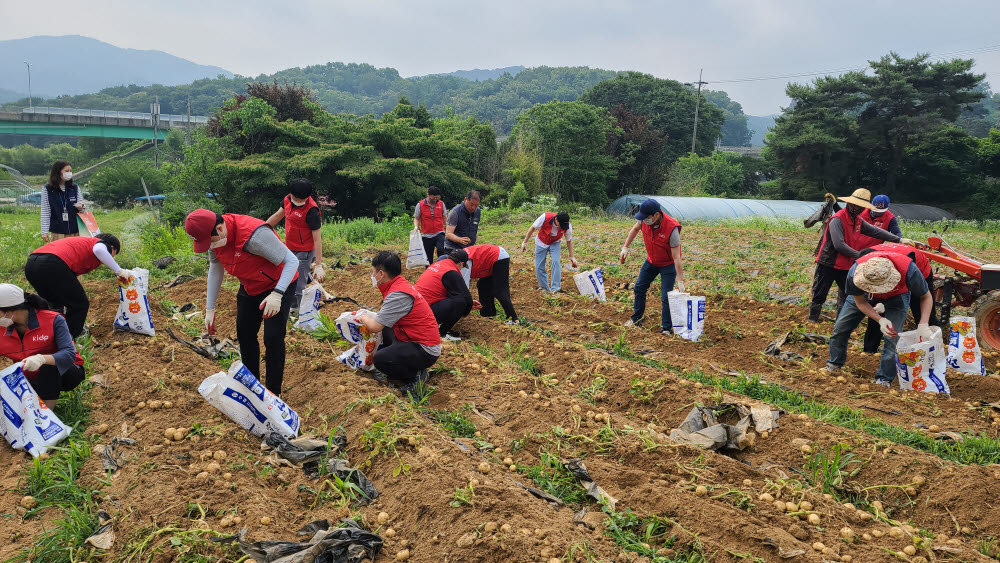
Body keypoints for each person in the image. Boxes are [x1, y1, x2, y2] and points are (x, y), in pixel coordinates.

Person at [184, 209, 298, 396]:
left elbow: (292, 261)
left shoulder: (255, 236)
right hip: (250, 284)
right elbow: (215, 267)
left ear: (220, 229)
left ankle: (273, 394)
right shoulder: (215, 240)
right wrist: (209, 308)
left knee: (272, 337)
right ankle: (252, 389)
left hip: (279, 283)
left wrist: (277, 294)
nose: (211, 246)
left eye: (210, 241)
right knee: (245, 335)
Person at [824, 251, 934, 387]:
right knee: (840, 328)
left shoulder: (909, 270)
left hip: (897, 295)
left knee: (893, 337)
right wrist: (879, 319)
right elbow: (861, 302)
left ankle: (884, 379)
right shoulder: (855, 273)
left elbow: (926, 296)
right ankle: (834, 364)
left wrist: (923, 323)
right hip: (864, 294)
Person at [809, 188, 912, 323]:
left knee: (848, 293)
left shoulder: (857, 220)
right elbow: (839, 245)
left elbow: (875, 231)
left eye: (861, 207)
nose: (858, 209)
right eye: (855, 205)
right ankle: (812, 319)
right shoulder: (837, 219)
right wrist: (860, 255)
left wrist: (899, 240)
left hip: (846, 263)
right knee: (820, 292)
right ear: (850, 204)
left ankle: (842, 320)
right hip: (829, 262)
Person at [355, 251, 440, 394]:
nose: (372, 276)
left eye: (373, 272)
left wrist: (363, 316)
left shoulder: (398, 294)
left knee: (381, 359)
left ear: (381, 274)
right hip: (414, 339)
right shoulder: (398, 285)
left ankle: (415, 376)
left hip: (425, 349)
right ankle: (409, 365)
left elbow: (375, 327)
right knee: (386, 327)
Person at [25, 233, 132, 338]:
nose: (111, 257)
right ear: (112, 247)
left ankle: (50, 334)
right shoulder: (100, 244)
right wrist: (119, 271)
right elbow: (99, 250)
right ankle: (71, 337)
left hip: (32, 265)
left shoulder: (82, 245)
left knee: (56, 303)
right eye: (114, 254)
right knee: (80, 304)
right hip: (52, 263)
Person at [0, 284, 85, 410]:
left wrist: (41, 359)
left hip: (66, 373)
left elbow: (69, 354)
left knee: (47, 366)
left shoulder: (53, 320)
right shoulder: (2, 329)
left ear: (11, 310)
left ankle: (45, 417)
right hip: (29, 377)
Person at [619, 199, 684, 334]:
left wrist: (680, 280)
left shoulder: (671, 228)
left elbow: (677, 257)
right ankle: (636, 320)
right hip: (651, 261)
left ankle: (666, 328)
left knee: (666, 296)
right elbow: (635, 229)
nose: (644, 220)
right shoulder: (644, 220)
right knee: (639, 288)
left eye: (647, 217)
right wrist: (625, 247)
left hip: (668, 265)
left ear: (656, 215)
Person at [860, 242, 937, 353]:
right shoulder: (868, 264)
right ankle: (870, 350)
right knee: (877, 311)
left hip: (915, 269)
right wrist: (879, 305)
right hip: (888, 266)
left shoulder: (906, 268)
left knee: (919, 309)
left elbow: (925, 297)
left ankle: (930, 349)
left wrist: (923, 323)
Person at [265, 178, 326, 309]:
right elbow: (277, 216)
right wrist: (262, 227)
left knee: (298, 282)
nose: (298, 201)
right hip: (289, 247)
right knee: (288, 274)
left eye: (301, 199)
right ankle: (297, 299)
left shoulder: (312, 211)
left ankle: (296, 309)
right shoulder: (288, 200)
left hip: (304, 251)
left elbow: (317, 239)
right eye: (296, 198)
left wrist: (319, 265)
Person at [414, 250, 478, 341]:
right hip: (424, 314)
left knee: (457, 299)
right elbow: (466, 298)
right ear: (461, 264)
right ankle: (442, 333)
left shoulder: (438, 265)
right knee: (461, 302)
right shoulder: (451, 272)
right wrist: (466, 309)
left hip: (414, 308)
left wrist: (470, 303)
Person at [520, 211, 578, 293]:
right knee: (539, 266)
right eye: (561, 225)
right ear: (556, 220)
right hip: (541, 242)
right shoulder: (545, 217)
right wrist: (525, 242)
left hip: (555, 242)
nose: (562, 227)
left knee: (556, 262)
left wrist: (572, 257)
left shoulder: (567, 226)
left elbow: (569, 241)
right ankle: (544, 289)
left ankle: (556, 289)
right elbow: (532, 227)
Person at [465, 244, 518, 324]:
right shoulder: (457, 260)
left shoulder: (464, 264)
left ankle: (514, 319)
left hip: (498, 257)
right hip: (488, 261)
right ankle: (487, 314)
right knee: (482, 285)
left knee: (500, 290)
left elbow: (464, 288)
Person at [40, 160, 84, 242]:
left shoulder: (75, 188)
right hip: (58, 231)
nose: (69, 173)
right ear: (58, 172)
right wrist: (44, 232)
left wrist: (82, 208)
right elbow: (45, 211)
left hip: (75, 230)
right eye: (66, 171)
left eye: (70, 171)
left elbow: (83, 210)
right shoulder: (48, 189)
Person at [413, 186, 449, 264]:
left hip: (439, 232)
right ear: (428, 195)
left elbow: (445, 217)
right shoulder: (420, 205)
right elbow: (416, 218)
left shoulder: (441, 204)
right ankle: (429, 270)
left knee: (441, 250)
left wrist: (448, 228)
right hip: (427, 235)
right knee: (428, 255)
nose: (435, 199)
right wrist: (416, 227)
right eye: (433, 197)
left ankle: (442, 266)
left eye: (437, 197)